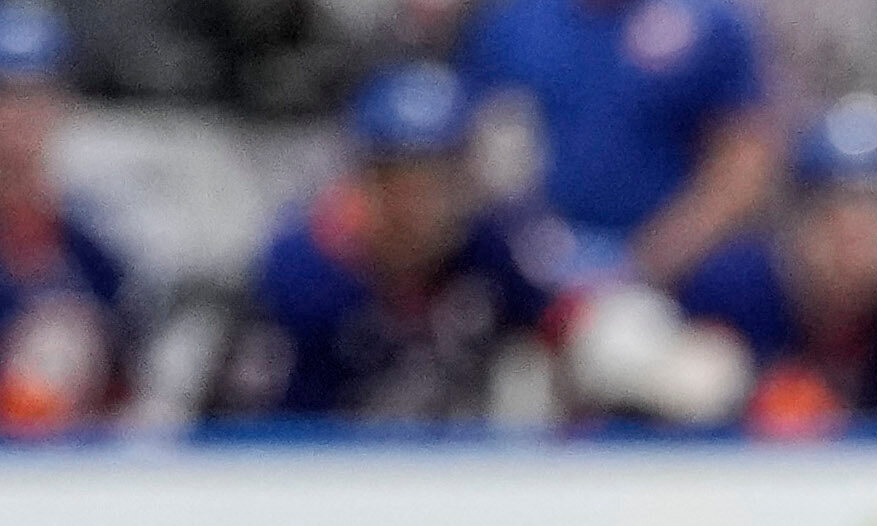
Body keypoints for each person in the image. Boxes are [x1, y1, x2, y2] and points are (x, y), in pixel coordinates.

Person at [222, 61, 746, 430]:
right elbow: (256, 432)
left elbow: (571, 318)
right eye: (401, 181)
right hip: (323, 496)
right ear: (366, 184)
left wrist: (657, 360)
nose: (420, 205)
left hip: (454, 489)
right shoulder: (301, 274)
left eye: (437, 179)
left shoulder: (487, 249)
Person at [457, 0, 780, 297]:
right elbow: (471, 151)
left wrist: (648, 261)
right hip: (525, 261)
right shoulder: (514, 22)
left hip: (664, 276)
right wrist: (529, 245)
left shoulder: (711, 22)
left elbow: (743, 164)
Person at [687, 88, 877, 433]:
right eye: (830, 213)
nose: (853, 241)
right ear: (795, 219)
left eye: (874, 214)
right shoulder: (728, 293)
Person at [0, 4, 135, 435]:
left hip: (58, 475)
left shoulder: (91, 249)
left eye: (33, 98)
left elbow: (125, 389)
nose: (16, 120)